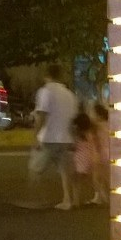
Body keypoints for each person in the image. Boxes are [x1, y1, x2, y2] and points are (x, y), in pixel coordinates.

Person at [31, 61, 78, 210]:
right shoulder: (69, 94)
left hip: (49, 137)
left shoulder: (46, 91)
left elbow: (42, 115)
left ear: (47, 75)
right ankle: (68, 200)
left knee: (35, 168)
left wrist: (35, 135)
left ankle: (38, 199)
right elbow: (73, 119)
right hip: (66, 137)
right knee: (65, 171)